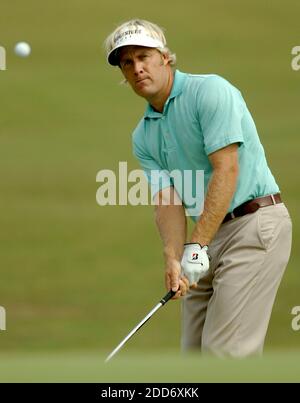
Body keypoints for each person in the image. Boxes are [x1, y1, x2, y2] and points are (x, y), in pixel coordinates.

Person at [104, 19, 292, 357]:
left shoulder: (210, 91)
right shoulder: (143, 135)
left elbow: (227, 169)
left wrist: (196, 245)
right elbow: (168, 200)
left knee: (224, 355)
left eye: (144, 56)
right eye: (127, 62)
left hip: (254, 225)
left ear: (164, 56)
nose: (137, 68)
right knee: (193, 358)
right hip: (207, 238)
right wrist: (174, 258)